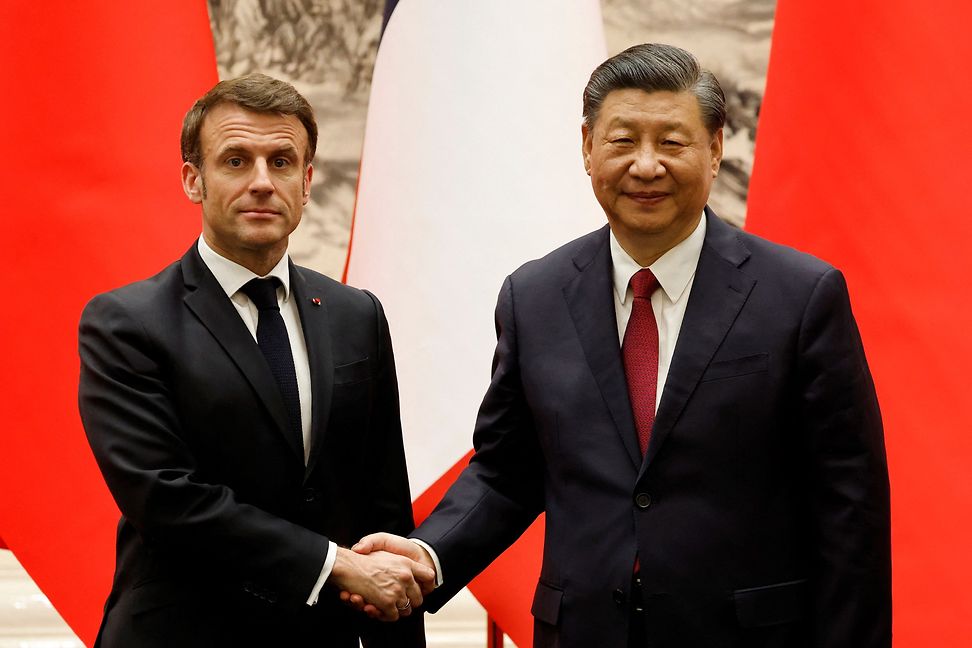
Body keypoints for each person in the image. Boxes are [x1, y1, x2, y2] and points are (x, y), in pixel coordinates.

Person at [350, 44, 892, 648]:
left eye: (672, 142)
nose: (646, 165)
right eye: (622, 141)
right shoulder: (534, 296)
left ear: (714, 150)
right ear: (587, 147)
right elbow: (508, 471)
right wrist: (430, 554)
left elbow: (850, 507)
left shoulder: (800, 295)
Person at [78, 73, 432, 647]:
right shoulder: (126, 323)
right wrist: (332, 565)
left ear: (308, 181)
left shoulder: (356, 315)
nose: (263, 183)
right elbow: (168, 499)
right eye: (237, 161)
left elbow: (382, 504)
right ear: (194, 180)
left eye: (282, 162)